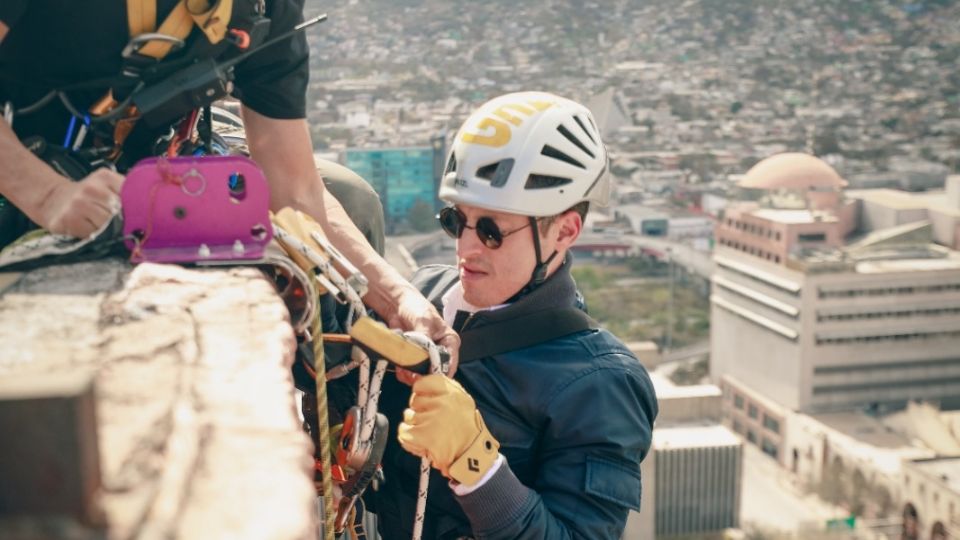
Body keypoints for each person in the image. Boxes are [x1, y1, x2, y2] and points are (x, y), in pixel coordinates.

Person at [0, 1, 453, 353]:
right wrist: (47, 194)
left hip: (160, 166)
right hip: (20, 169)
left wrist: (398, 301)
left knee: (351, 200)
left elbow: (293, 187)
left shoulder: (258, 9)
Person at [368, 92, 658, 539]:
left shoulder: (600, 386)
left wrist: (477, 465)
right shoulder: (419, 296)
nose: (465, 248)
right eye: (456, 221)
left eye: (491, 230)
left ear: (564, 231)